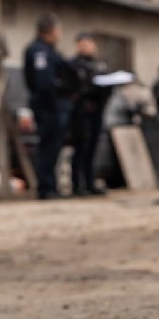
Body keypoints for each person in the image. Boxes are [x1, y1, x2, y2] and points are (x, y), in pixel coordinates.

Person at [24, 13, 75, 200]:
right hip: (48, 107)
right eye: (58, 30)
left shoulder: (50, 51)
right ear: (51, 31)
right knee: (47, 147)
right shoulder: (40, 51)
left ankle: (51, 185)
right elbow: (44, 82)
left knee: (54, 148)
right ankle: (45, 187)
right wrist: (55, 102)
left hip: (53, 106)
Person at [68, 33, 110, 196]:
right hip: (80, 112)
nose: (86, 46)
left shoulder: (99, 65)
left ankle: (90, 181)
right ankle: (78, 184)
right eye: (82, 43)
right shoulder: (73, 65)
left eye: (89, 43)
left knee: (93, 147)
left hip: (97, 110)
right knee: (80, 148)